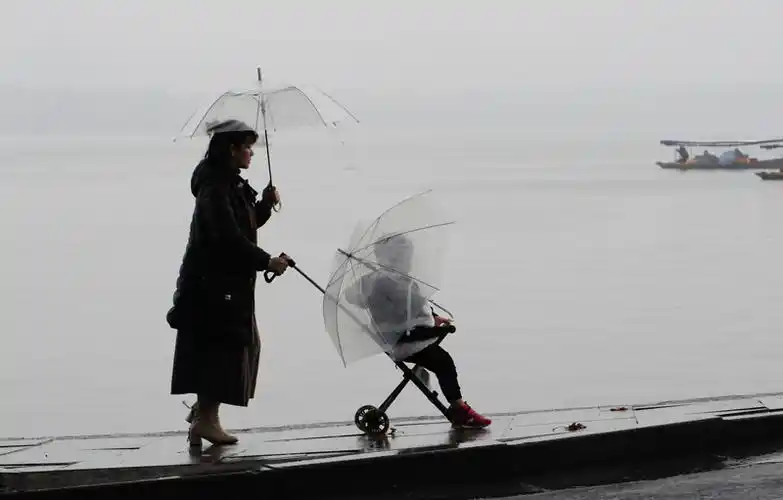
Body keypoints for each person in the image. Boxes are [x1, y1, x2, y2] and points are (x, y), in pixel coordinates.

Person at [165, 119, 290, 447]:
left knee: (235, 347)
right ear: (231, 149)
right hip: (212, 287)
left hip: (227, 286)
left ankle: (203, 416)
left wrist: (264, 205)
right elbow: (227, 237)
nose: (251, 153)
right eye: (247, 147)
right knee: (222, 349)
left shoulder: (228, 183)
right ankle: (206, 419)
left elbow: (244, 224)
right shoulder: (215, 187)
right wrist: (267, 261)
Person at [344, 233, 491, 429]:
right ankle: (459, 409)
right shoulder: (385, 282)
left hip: (407, 336)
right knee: (443, 362)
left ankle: (459, 408)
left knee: (441, 361)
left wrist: (434, 317)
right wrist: (371, 281)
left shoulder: (391, 280)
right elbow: (407, 306)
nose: (409, 262)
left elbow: (416, 306)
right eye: (405, 257)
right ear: (391, 258)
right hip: (402, 340)